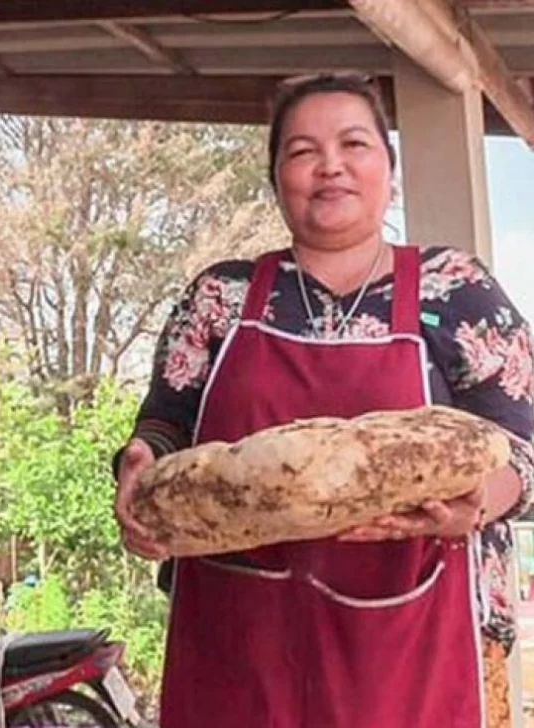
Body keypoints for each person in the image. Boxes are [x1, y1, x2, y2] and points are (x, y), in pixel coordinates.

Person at [113, 73, 534, 728]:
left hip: (417, 650)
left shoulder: (457, 290)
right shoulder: (219, 298)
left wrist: (478, 501)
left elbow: (525, 449)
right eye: (303, 150)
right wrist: (140, 463)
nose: (330, 165)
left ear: (388, 170)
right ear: (277, 175)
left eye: (354, 143)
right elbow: (168, 421)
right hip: (237, 646)